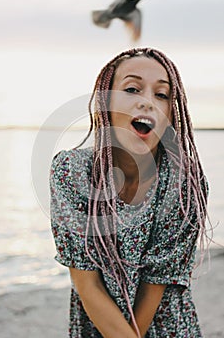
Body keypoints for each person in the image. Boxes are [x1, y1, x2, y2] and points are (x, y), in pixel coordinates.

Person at [50, 47, 209, 337]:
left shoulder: (184, 184)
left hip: (168, 327)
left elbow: (154, 286)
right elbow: (87, 284)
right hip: (97, 324)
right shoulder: (71, 171)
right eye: (133, 89)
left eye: (161, 94)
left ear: (171, 114)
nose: (147, 102)